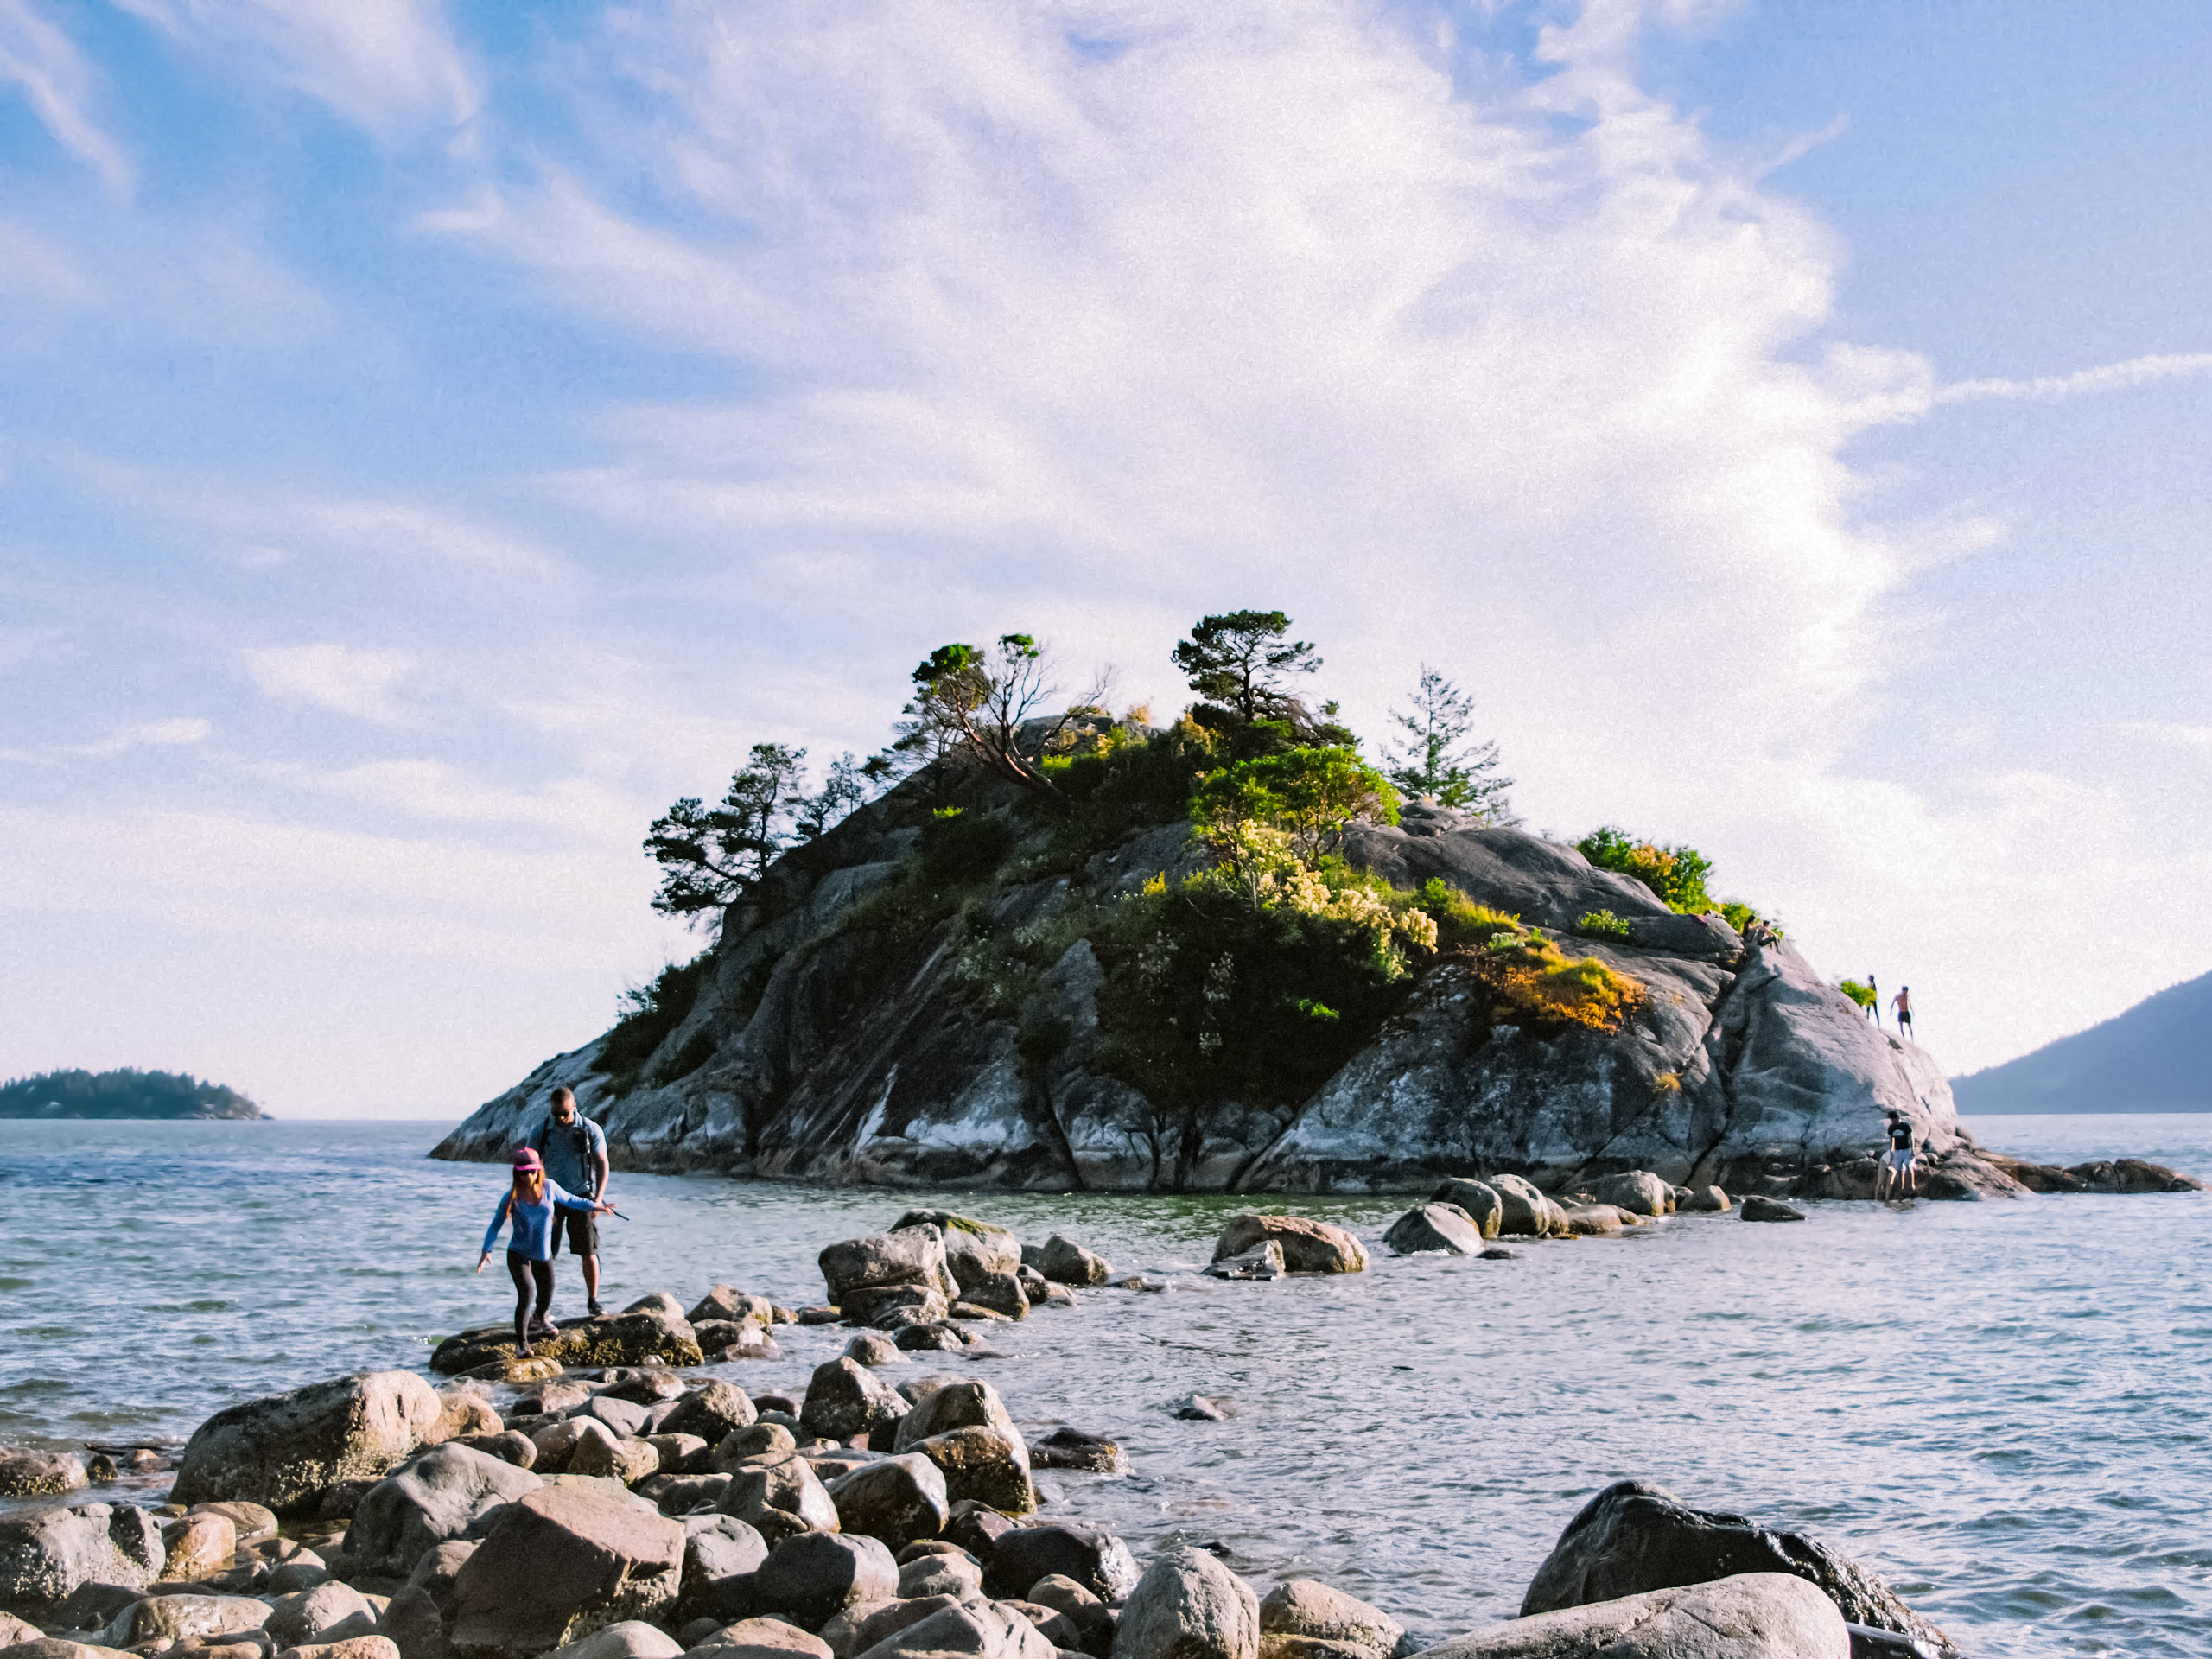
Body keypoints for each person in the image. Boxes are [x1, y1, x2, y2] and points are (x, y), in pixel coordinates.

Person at [476, 1147, 611, 1354]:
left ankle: (539, 1319)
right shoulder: (511, 1197)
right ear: (517, 1173)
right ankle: (522, 1345)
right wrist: (487, 1250)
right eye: (523, 1172)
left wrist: (595, 1206)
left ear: (539, 1170)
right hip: (518, 1254)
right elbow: (496, 1224)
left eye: (532, 1171)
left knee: (547, 1292)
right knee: (527, 1294)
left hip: (542, 1253)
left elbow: (570, 1199)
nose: (529, 1175)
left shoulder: (550, 1187)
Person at [527, 1086, 613, 1315]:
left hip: (581, 1195)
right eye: (556, 1113)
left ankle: (593, 1301)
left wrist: (599, 1198)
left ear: (574, 1106)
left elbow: (602, 1163)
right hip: (550, 1199)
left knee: (588, 1251)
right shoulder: (542, 1131)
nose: (560, 1118)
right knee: (544, 1254)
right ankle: (542, 1308)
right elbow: (529, 1166)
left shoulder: (590, 1129)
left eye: (564, 1113)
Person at [1877, 1110, 1918, 1199]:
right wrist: (1892, 1154)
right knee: (1899, 1170)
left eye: (1894, 1119)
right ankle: (1901, 1187)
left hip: (1906, 1149)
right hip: (1898, 1151)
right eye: (1891, 1120)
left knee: (1908, 1166)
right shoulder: (1891, 1128)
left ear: (1897, 1118)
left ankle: (1912, 1184)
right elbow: (1891, 1142)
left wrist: (1912, 1150)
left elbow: (1910, 1138)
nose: (1893, 1121)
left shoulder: (1905, 1126)